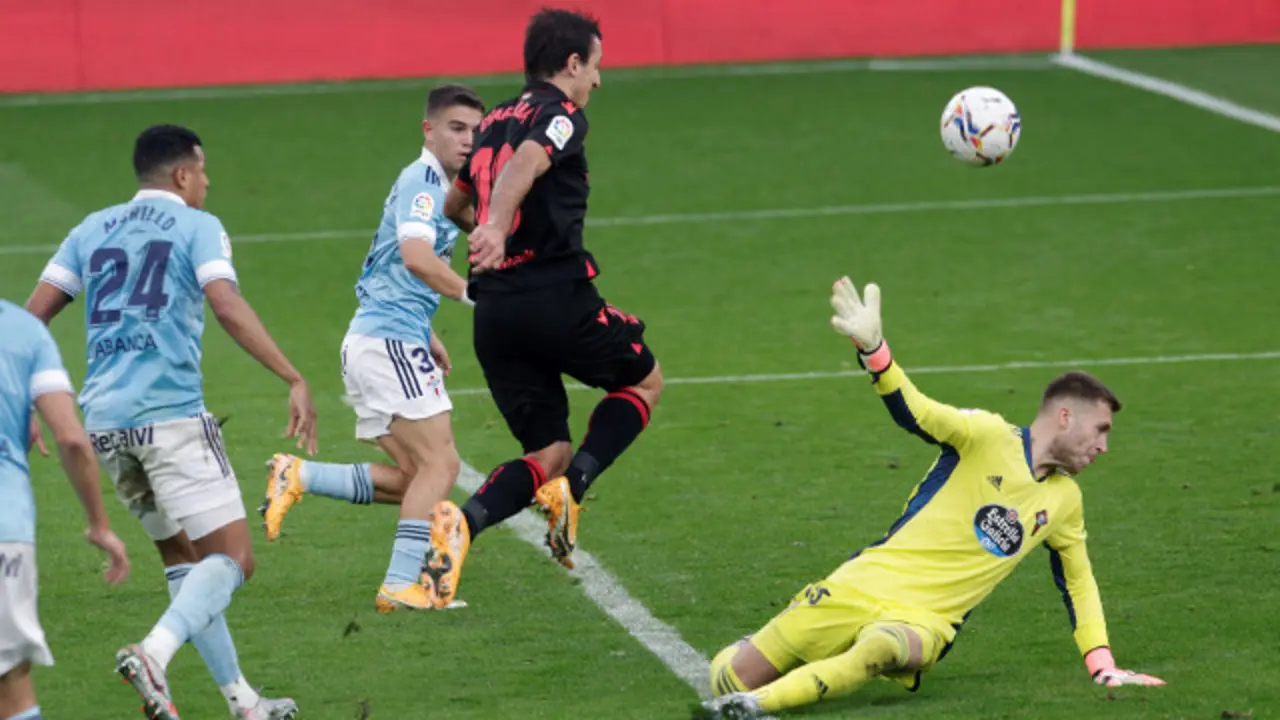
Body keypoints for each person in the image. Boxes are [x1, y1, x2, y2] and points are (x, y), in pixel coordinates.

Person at [700, 276, 1165, 718]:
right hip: (865, 582)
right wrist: (874, 351)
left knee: (879, 649)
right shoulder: (985, 435)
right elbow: (916, 412)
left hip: (927, 622)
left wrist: (1103, 667)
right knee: (729, 678)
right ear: (1066, 416)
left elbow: (1079, 585)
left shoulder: (1065, 502)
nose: (1104, 447)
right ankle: (751, 674)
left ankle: (758, 707)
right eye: (1100, 430)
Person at [25, 124, 316, 720]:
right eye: (203, 171)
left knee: (183, 559)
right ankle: (153, 653)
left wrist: (24, 397)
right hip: (171, 419)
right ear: (182, 174)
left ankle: (243, 702)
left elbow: (31, 318)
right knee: (234, 559)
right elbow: (226, 301)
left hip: (105, 425)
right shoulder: (198, 226)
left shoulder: (89, 229)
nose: (207, 181)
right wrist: (292, 375)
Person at [425, 7, 663, 610]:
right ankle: (574, 489)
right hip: (555, 298)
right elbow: (526, 167)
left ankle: (464, 524)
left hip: (494, 313)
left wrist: (484, 232)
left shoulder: (493, 120)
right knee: (644, 381)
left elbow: (454, 203)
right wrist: (500, 227)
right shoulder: (561, 116)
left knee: (546, 450)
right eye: (596, 66)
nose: (598, 81)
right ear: (573, 63)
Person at [260, 84, 485, 614]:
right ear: (428, 130)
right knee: (442, 465)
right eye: (457, 128)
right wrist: (475, 296)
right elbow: (412, 255)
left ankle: (300, 475)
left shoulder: (431, 183)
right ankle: (399, 585)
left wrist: (426, 327)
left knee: (417, 477)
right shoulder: (424, 181)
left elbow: (386, 261)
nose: (469, 140)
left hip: (382, 336)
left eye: (476, 130)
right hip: (386, 341)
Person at [0, 300, 130, 720]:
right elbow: (71, 439)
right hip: (6, 528)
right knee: (12, 693)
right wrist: (99, 524)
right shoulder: (24, 330)